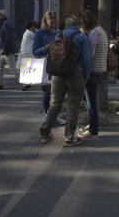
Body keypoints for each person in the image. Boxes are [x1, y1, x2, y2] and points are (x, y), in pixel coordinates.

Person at [39, 15, 91, 146]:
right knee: (72, 107)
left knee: (55, 104)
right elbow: (86, 60)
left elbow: (46, 50)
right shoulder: (81, 37)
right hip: (74, 74)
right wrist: (86, 76)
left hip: (57, 74)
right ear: (78, 24)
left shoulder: (57, 35)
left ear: (67, 24)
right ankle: (69, 138)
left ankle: (45, 133)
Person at [78, 10, 109, 138]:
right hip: (100, 70)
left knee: (91, 102)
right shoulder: (101, 30)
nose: (82, 24)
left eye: (83, 22)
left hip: (93, 71)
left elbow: (89, 55)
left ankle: (93, 131)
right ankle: (92, 124)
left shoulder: (94, 33)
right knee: (88, 99)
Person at [32, 11, 66, 125]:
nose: (53, 24)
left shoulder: (58, 33)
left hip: (58, 65)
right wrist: (48, 47)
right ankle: (48, 116)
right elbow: (35, 51)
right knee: (48, 92)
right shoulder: (39, 33)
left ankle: (54, 116)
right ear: (45, 21)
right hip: (45, 66)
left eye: (55, 22)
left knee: (57, 93)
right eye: (51, 22)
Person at [0, 10, 19, 90]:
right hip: (4, 49)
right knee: (0, 66)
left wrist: (4, 49)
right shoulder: (3, 24)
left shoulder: (5, 24)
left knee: (12, 67)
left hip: (7, 49)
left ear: (2, 16)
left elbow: (8, 38)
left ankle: (26, 82)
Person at [17, 21, 36, 91]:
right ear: (31, 27)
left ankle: (27, 83)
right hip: (26, 54)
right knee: (25, 69)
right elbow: (36, 38)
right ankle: (27, 83)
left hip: (25, 53)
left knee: (25, 69)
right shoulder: (30, 33)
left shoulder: (26, 32)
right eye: (34, 26)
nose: (34, 27)